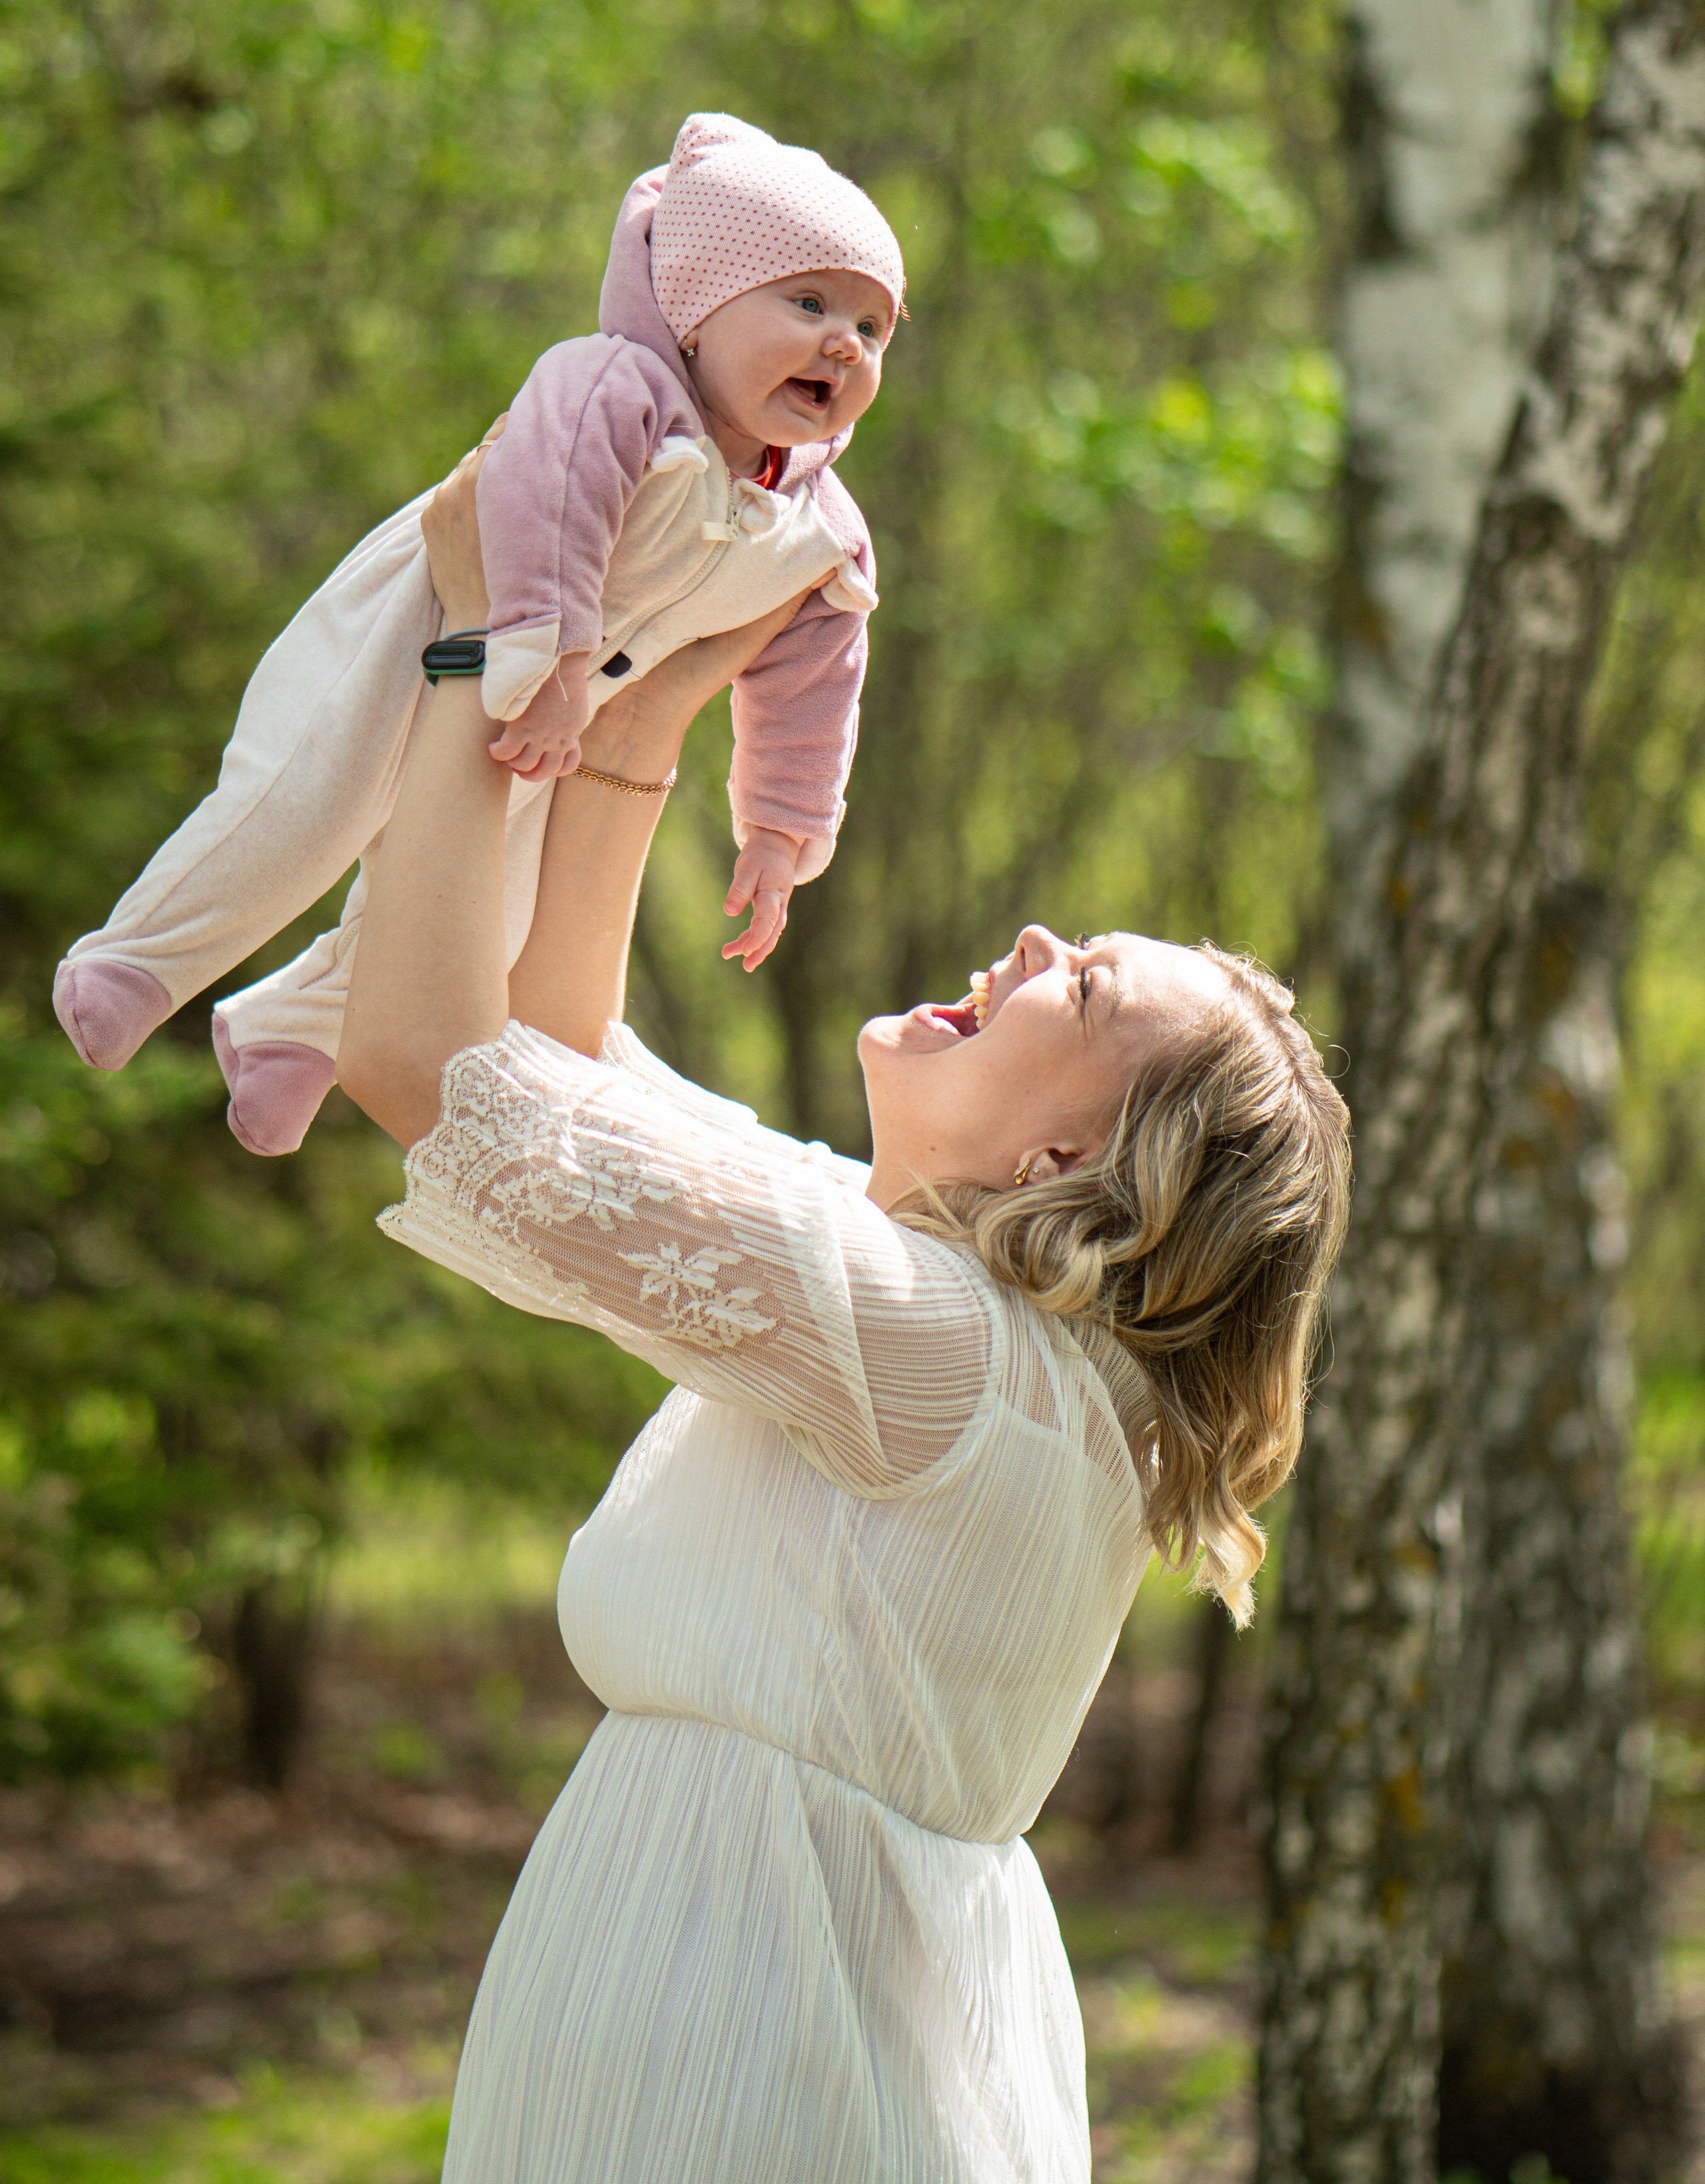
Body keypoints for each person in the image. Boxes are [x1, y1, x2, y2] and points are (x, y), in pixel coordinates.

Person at [334, 458, 1351, 2184]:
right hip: (798, 2012)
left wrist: (467, 636)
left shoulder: (925, 1344)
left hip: (737, 2036)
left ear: (1072, 1154)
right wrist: (664, 693)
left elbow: (430, 1067)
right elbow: (559, 1053)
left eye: (1083, 983)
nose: (1030, 939)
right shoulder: (1001, 1355)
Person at [54, 113, 901, 1156]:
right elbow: (546, 510)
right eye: (808, 301)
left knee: (486, 921)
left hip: (555, 707)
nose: (842, 343)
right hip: (423, 626)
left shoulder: (817, 524)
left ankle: (289, 1035)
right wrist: (549, 661)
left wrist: (781, 830)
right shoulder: (614, 388)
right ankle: (133, 962)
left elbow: (821, 669)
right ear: (694, 309)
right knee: (309, 804)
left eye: (871, 328)